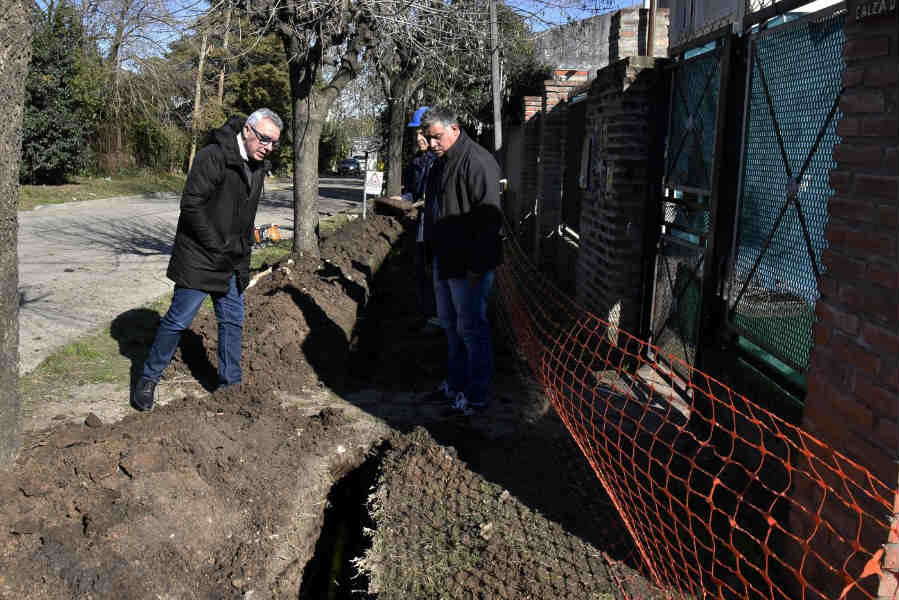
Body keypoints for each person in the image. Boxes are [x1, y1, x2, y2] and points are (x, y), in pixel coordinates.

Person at [130, 108, 283, 411]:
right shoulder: (213, 156)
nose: (268, 147)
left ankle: (231, 386)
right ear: (248, 131)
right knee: (178, 320)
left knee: (232, 321)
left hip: (231, 261)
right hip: (200, 257)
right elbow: (191, 206)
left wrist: (242, 253)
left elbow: (243, 216)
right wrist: (217, 246)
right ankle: (147, 379)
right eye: (264, 139)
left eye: (274, 143)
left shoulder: (257, 166)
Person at [420, 106, 503, 416]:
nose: (432, 144)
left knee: (471, 328)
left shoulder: (478, 162)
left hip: (468, 265)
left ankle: (476, 395)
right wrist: (429, 253)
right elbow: (434, 212)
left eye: (436, 137)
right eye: (428, 138)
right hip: (445, 259)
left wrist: (477, 267)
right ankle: (455, 384)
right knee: (450, 325)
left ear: (454, 129)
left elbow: (489, 219)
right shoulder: (441, 164)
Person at [389, 105, 440, 334]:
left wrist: (426, 201)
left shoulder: (439, 161)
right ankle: (426, 313)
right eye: (416, 133)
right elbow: (414, 192)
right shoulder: (418, 162)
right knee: (420, 269)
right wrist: (403, 198)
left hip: (435, 224)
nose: (419, 138)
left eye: (422, 133)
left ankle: (437, 317)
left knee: (432, 270)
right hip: (421, 223)